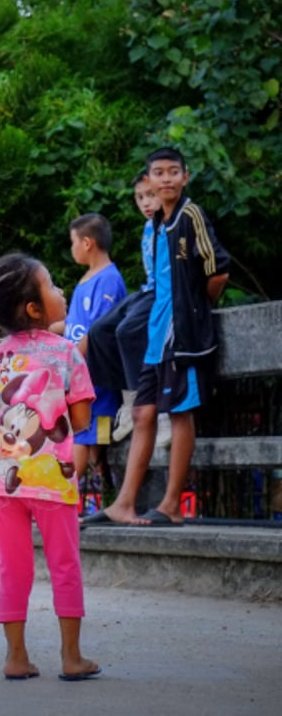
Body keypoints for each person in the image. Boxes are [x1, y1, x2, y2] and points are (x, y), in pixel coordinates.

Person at [0, 252, 100, 682]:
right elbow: (79, 422)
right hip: (53, 481)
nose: (61, 291)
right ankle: (71, 657)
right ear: (34, 309)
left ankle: (16, 657)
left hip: (5, 481)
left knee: (13, 568)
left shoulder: (2, 354)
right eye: (53, 286)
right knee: (64, 564)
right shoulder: (66, 353)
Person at [86, 147, 230, 527]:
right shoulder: (156, 227)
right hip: (156, 335)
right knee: (142, 411)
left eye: (173, 172)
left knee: (180, 413)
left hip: (182, 335)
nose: (165, 180)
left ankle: (171, 504)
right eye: (158, 173)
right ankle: (125, 502)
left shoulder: (189, 215)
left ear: (185, 177)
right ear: (148, 179)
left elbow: (218, 271)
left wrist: (195, 309)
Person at [83, 173, 171, 449]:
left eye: (150, 195)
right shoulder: (148, 228)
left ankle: (156, 408)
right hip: (149, 290)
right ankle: (129, 401)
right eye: (140, 197)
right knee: (99, 330)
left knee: (129, 331)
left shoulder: (177, 223)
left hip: (168, 292)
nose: (146, 202)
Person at [59, 214, 126, 493]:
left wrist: (69, 362)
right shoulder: (87, 279)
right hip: (78, 371)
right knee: (81, 436)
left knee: (85, 438)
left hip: (92, 374)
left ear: (87, 243)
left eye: (73, 242)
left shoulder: (109, 279)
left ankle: (68, 498)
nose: (72, 248)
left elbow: (97, 329)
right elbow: (75, 323)